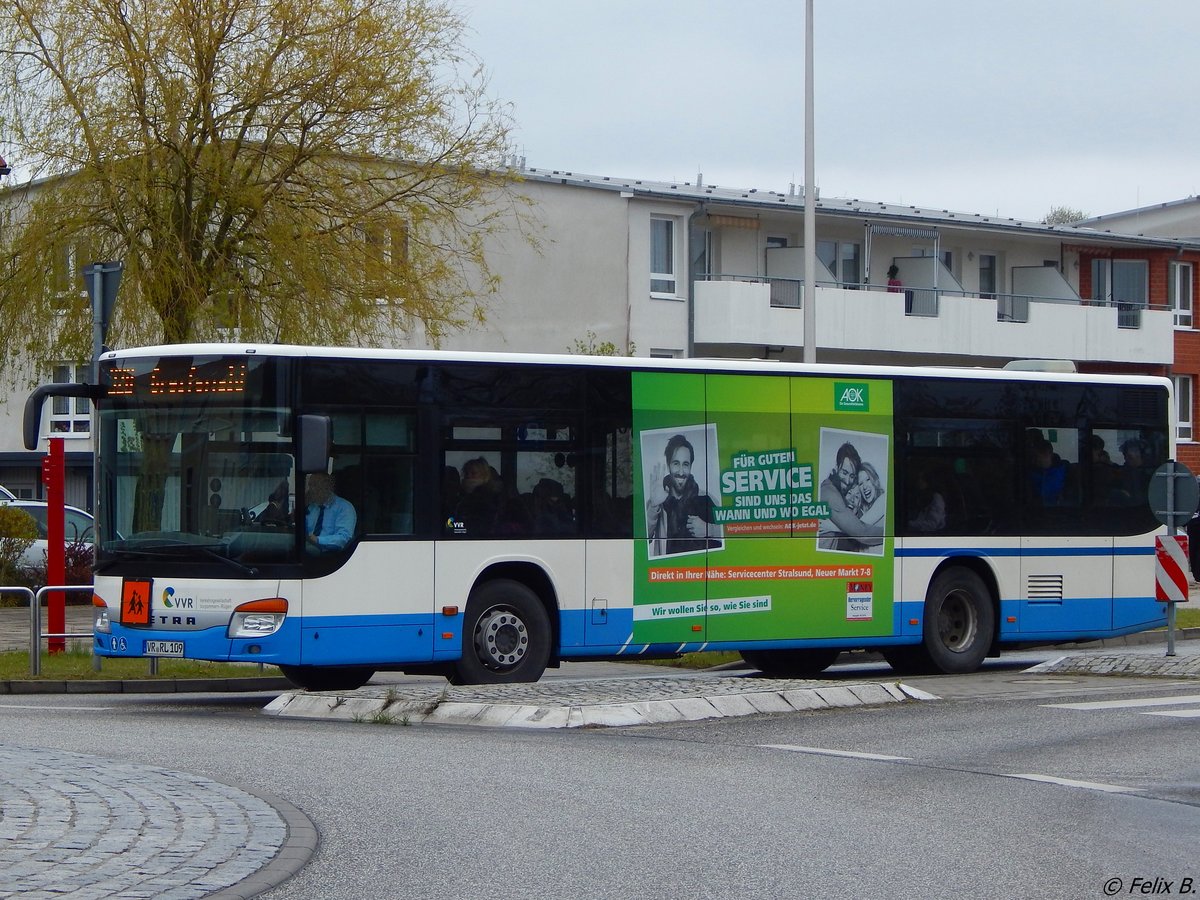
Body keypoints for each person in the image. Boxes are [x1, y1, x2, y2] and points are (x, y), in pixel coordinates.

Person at [645, 433, 719, 556]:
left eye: (685, 464)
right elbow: (640, 540)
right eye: (676, 463)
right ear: (668, 465)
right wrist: (653, 507)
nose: (680, 472)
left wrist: (709, 529)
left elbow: (733, 532)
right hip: (666, 568)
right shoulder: (656, 501)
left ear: (690, 466)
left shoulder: (707, 499)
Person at [817, 442, 884, 550]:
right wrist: (893, 534)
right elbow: (862, 533)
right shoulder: (832, 495)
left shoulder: (828, 487)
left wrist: (834, 527)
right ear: (836, 467)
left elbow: (859, 529)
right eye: (844, 472)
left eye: (852, 476)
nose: (848, 481)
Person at [304, 471, 356, 553]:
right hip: (309, 547)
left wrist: (318, 540)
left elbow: (344, 538)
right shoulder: (312, 507)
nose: (311, 489)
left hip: (331, 553)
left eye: (315, 485)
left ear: (327, 486)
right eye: (310, 485)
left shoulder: (344, 507)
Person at [907, 466, 946, 533]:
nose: (919, 481)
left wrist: (909, 524)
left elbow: (932, 524)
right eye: (918, 478)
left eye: (922, 479)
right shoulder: (917, 496)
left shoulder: (936, 498)